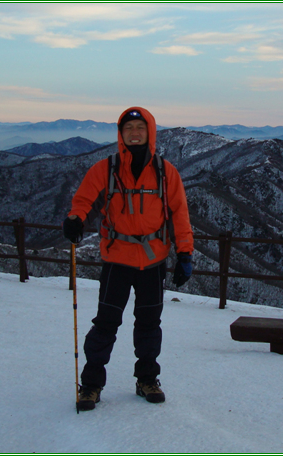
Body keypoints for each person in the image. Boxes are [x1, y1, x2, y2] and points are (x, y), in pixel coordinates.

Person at [62, 106, 194, 411]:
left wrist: (185, 252)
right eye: (128, 129)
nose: (134, 133)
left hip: (152, 261)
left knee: (149, 324)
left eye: (140, 128)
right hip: (117, 260)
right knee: (106, 323)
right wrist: (75, 219)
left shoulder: (165, 172)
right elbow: (84, 200)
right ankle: (91, 384)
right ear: (121, 135)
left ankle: (147, 379)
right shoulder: (105, 169)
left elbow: (179, 215)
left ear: (150, 132)